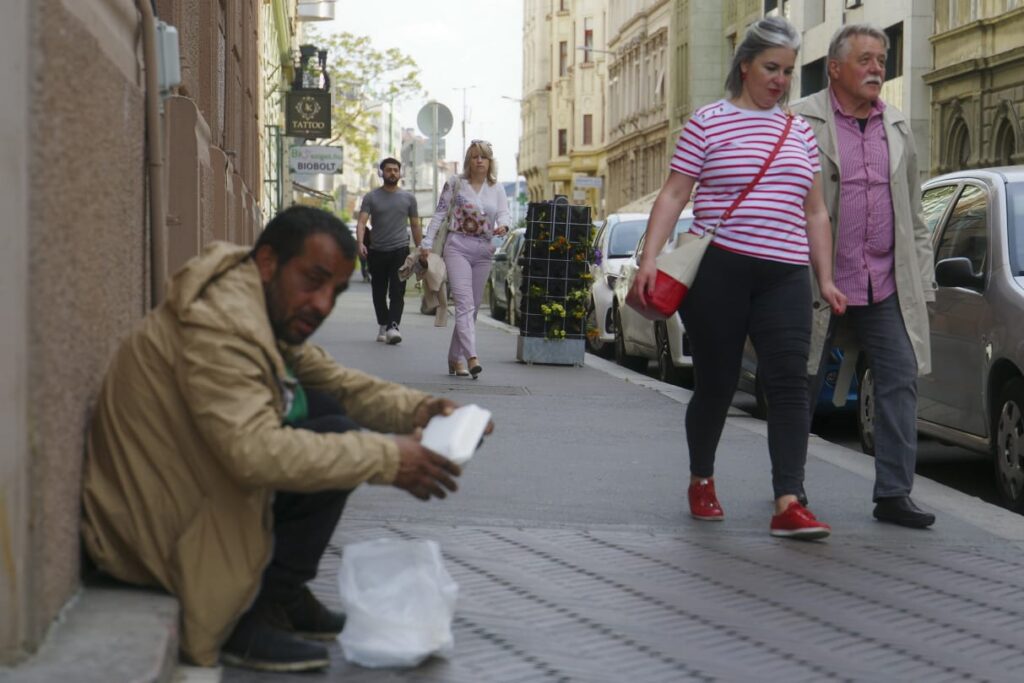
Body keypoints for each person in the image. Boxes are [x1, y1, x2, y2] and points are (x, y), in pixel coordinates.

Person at [80, 206, 476, 673]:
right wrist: (387, 457)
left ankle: (279, 596)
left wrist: (421, 410)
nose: (323, 304)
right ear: (268, 263)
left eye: (334, 290)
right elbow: (252, 453)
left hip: (175, 497)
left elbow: (336, 382)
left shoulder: (251, 301)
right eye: (313, 280)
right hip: (150, 535)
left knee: (328, 411)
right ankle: (242, 616)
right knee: (337, 438)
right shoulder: (222, 327)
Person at [630, 16, 847, 540]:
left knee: (791, 384)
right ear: (744, 65)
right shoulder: (708, 121)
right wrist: (649, 259)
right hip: (720, 271)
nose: (780, 80)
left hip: (786, 274)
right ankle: (702, 478)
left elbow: (815, 211)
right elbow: (676, 193)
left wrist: (826, 278)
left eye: (788, 72)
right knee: (718, 384)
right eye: (771, 68)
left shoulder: (799, 131)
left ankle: (788, 500)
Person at [793, 23, 937, 529]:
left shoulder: (896, 126)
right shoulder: (801, 122)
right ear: (835, 69)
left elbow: (915, 219)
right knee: (802, 382)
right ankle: (790, 490)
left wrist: (925, 284)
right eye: (866, 59)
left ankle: (894, 493)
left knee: (900, 377)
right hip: (820, 280)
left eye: (883, 58)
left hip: (884, 281)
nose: (878, 67)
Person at [421, 140, 510, 378]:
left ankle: (454, 358)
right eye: (474, 156)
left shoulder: (497, 188)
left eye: (484, 157)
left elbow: (503, 214)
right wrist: (426, 244)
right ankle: (471, 357)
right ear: (468, 160)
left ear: (490, 162)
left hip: (484, 250)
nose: (479, 160)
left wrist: (504, 226)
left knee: (471, 310)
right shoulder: (455, 183)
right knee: (464, 304)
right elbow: (440, 213)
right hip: (457, 246)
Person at [356, 157, 422, 344]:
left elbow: (415, 225)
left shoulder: (409, 198)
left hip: (400, 250)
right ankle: (383, 323)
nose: (392, 173)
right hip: (376, 251)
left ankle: (393, 326)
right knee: (378, 292)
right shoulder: (371, 197)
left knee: (397, 290)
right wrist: (360, 242)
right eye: (388, 170)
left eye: (395, 170)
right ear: (381, 173)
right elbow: (362, 222)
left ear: (400, 173)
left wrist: (421, 248)